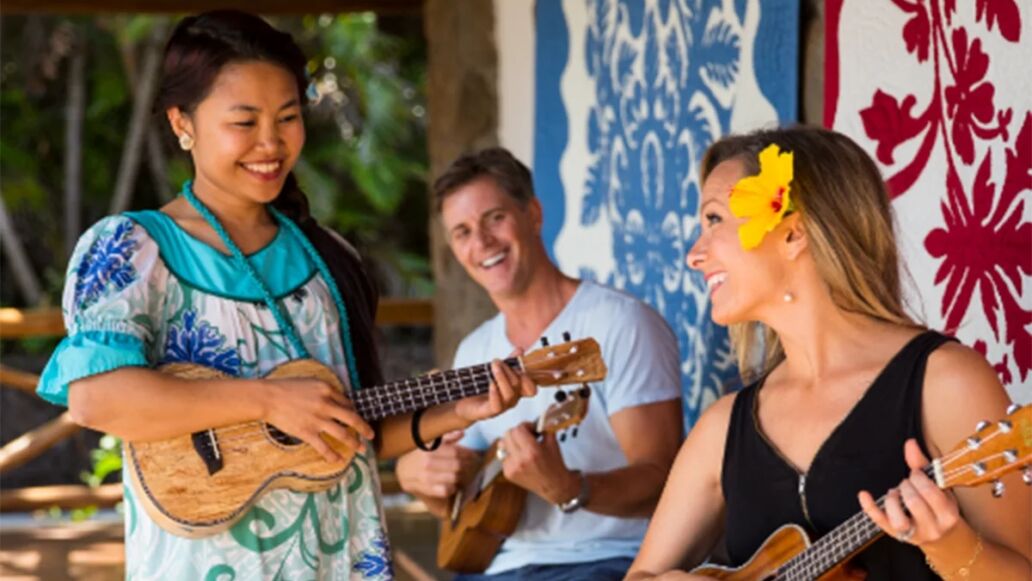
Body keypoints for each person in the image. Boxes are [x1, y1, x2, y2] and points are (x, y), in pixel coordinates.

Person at [35, 11, 535, 580]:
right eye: (244, 122)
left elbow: (351, 431)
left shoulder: (330, 258)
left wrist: (454, 413)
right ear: (182, 123)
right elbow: (96, 400)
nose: (271, 143)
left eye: (288, 117)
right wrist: (268, 402)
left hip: (343, 560)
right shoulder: (133, 250)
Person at [625, 126, 1031, 580]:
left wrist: (950, 545)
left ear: (793, 233)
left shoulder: (944, 382)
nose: (693, 255)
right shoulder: (723, 428)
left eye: (715, 220)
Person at [394, 148, 684, 580]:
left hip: (605, 559)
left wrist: (572, 488)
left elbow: (662, 483)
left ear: (533, 213)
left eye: (494, 218)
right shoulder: (474, 351)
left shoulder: (619, 324)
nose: (482, 243)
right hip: (494, 566)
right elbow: (461, 504)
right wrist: (419, 475)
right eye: (462, 232)